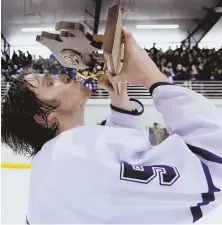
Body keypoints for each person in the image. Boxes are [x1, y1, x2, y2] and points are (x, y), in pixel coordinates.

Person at [1, 28, 222, 224]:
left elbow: (115, 176)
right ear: (44, 118)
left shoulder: (50, 164)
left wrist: (120, 102)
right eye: (50, 83)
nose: (61, 75)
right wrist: (153, 77)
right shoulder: (77, 158)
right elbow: (214, 166)